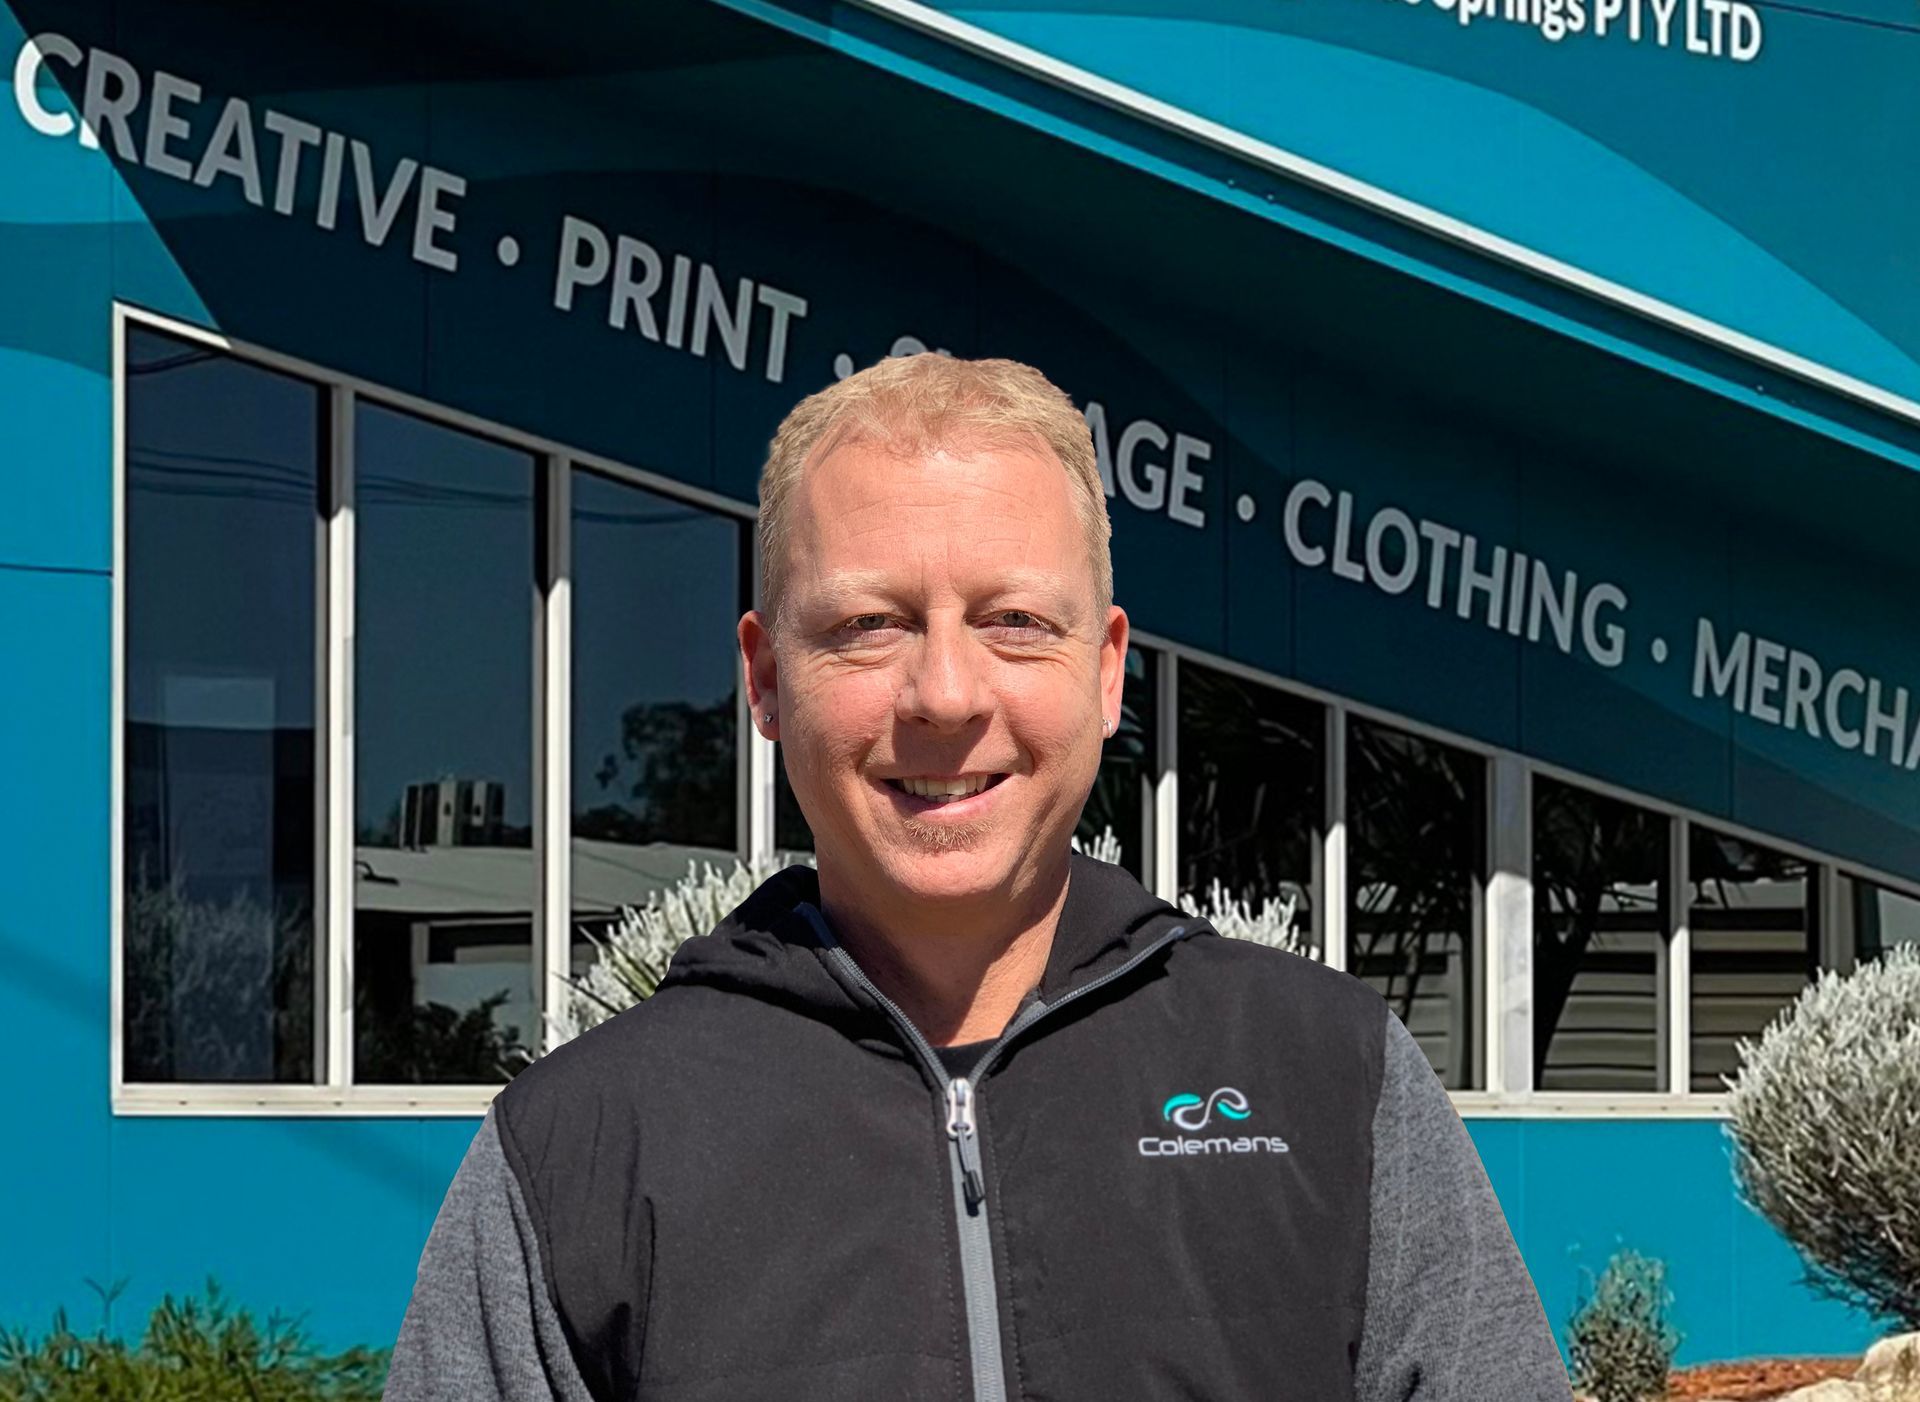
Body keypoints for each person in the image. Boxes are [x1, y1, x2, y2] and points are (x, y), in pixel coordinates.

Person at [383, 354, 1571, 1401]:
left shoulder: (1331, 1081)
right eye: (868, 626)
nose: (946, 695)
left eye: (1012, 620)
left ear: (1107, 671)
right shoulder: (580, 1148)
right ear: (764, 677)